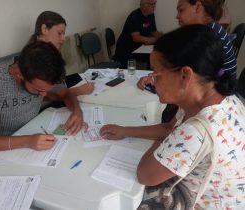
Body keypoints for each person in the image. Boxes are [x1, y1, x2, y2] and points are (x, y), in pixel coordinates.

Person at [100, 25, 245, 209]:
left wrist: (167, 140)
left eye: (156, 73)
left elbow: (145, 174)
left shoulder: (196, 131)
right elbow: (169, 128)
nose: (152, 79)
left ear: (185, 75)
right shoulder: (221, 96)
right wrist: (125, 130)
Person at [0, 41, 84, 156]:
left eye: (47, 89)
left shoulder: (43, 73)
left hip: (31, 132)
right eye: (38, 90)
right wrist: (27, 141)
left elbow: (66, 94)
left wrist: (77, 111)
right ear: (19, 74)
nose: (44, 95)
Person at [137, 0, 237, 91]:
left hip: (219, 93)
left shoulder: (209, 37)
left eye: (181, 10)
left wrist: (155, 78)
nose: (177, 16)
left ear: (197, 7)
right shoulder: (207, 30)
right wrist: (156, 76)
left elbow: (188, 75)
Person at [29, 11, 94, 96]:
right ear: (44, 29)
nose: (63, 39)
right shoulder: (33, 57)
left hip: (61, 89)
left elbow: (60, 82)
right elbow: (44, 96)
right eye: (59, 33)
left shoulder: (52, 49)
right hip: (49, 105)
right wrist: (78, 91)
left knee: (82, 77)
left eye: (63, 34)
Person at [114, 0, 162, 68]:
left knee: (154, 59)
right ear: (144, 6)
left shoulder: (151, 15)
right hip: (126, 51)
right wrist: (154, 40)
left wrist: (164, 38)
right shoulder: (134, 16)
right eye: (152, 4)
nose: (155, 6)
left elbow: (154, 31)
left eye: (155, 4)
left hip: (139, 49)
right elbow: (136, 38)